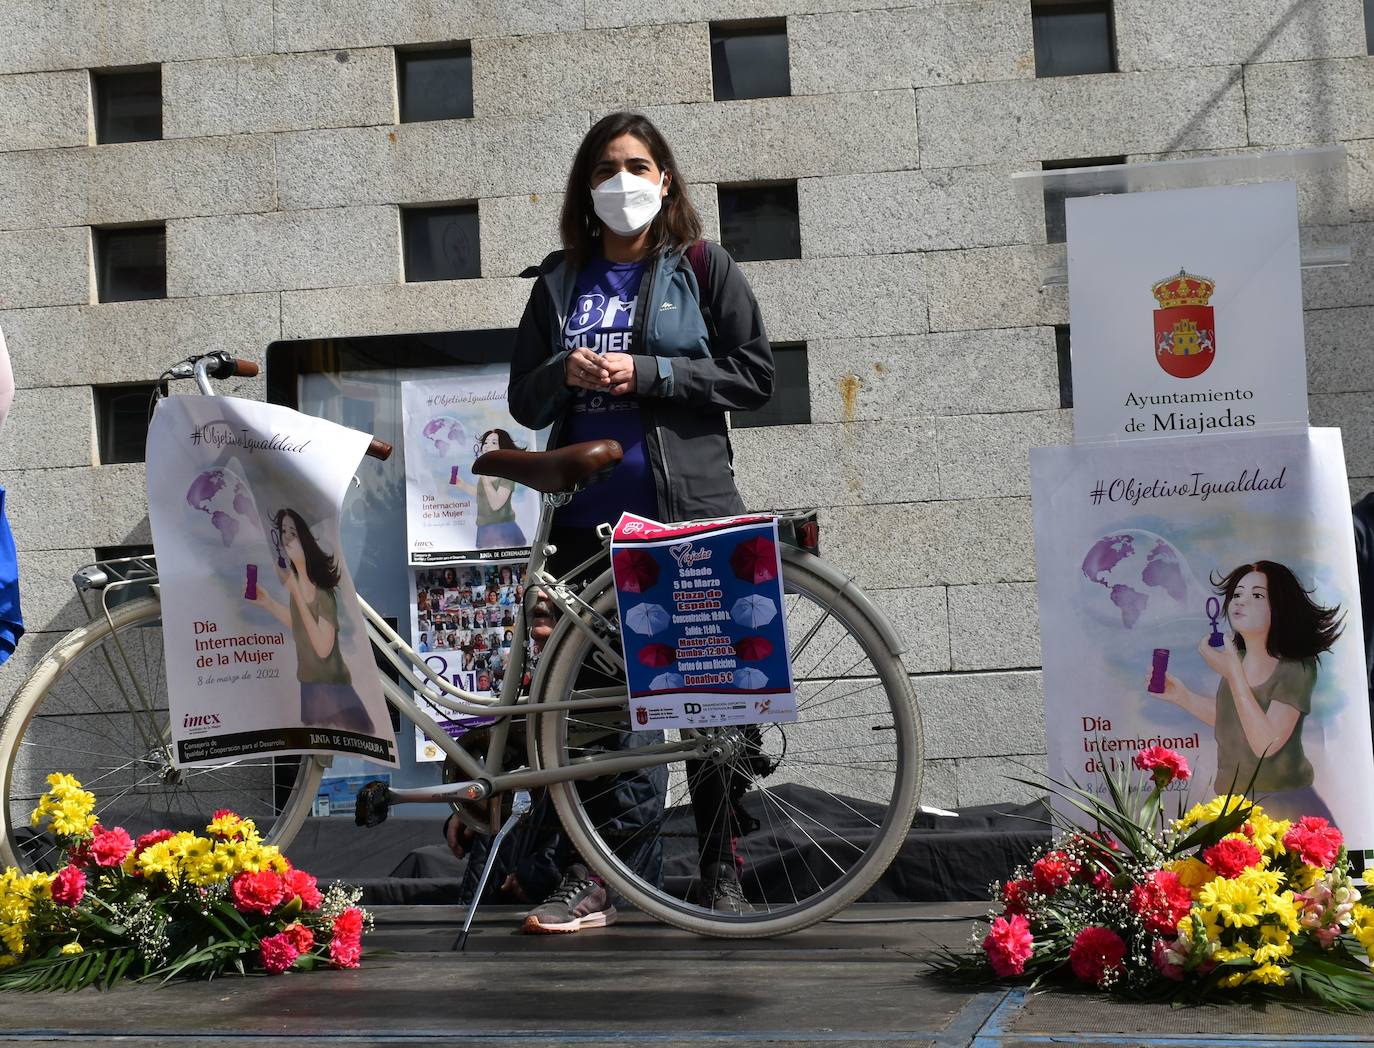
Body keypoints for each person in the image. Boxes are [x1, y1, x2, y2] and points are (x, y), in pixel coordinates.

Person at [458, 110, 774, 934]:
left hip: (688, 513)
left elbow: (753, 374)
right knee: (594, 717)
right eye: (606, 168)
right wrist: (566, 367)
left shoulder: (704, 267)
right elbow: (526, 399)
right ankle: (597, 876)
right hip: (585, 529)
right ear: (585, 187)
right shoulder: (559, 282)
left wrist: (650, 372)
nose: (622, 182)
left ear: (665, 179)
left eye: (638, 165)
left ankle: (719, 872)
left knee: (711, 709)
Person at [1149, 560, 1342, 819]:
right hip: (1232, 802)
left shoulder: (1296, 667)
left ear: (1280, 606)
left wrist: (1233, 673)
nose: (1240, 602)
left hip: (1287, 806)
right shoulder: (1236, 659)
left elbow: (1265, 742)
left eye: (1257, 595)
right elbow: (1233, 719)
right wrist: (1183, 696)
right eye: (1237, 595)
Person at [249, 508, 376, 735]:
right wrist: (268, 603)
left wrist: (296, 593)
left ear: (305, 540)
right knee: (318, 757)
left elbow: (322, 648)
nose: (286, 537)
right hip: (309, 687)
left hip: (334, 690)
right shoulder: (296, 582)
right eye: (283, 531)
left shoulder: (322, 593)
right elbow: (301, 626)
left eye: (293, 532)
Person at [452, 429, 529, 549]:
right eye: (485, 443)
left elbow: (496, 504)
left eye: (494, 442)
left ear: (503, 447)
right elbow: (482, 494)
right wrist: (462, 485)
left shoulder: (507, 474)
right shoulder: (487, 474)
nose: (487, 446)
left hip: (504, 526)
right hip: (483, 526)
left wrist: (484, 475)